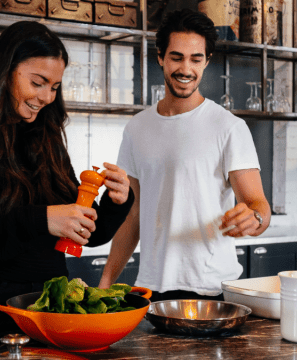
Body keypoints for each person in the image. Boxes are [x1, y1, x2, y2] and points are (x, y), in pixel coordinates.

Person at [0, 21, 134, 339]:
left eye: (55, 87)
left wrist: (116, 202)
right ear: (5, 71)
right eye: (38, 82)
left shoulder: (47, 138)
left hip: (48, 309)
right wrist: (43, 220)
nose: (47, 97)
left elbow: (82, 235)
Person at [98, 9, 271, 302]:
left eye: (196, 59)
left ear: (207, 61)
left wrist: (254, 218)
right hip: (152, 290)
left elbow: (258, 206)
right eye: (176, 57)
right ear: (160, 57)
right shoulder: (137, 128)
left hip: (212, 289)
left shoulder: (229, 127)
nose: (186, 69)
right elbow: (132, 215)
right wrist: (105, 283)